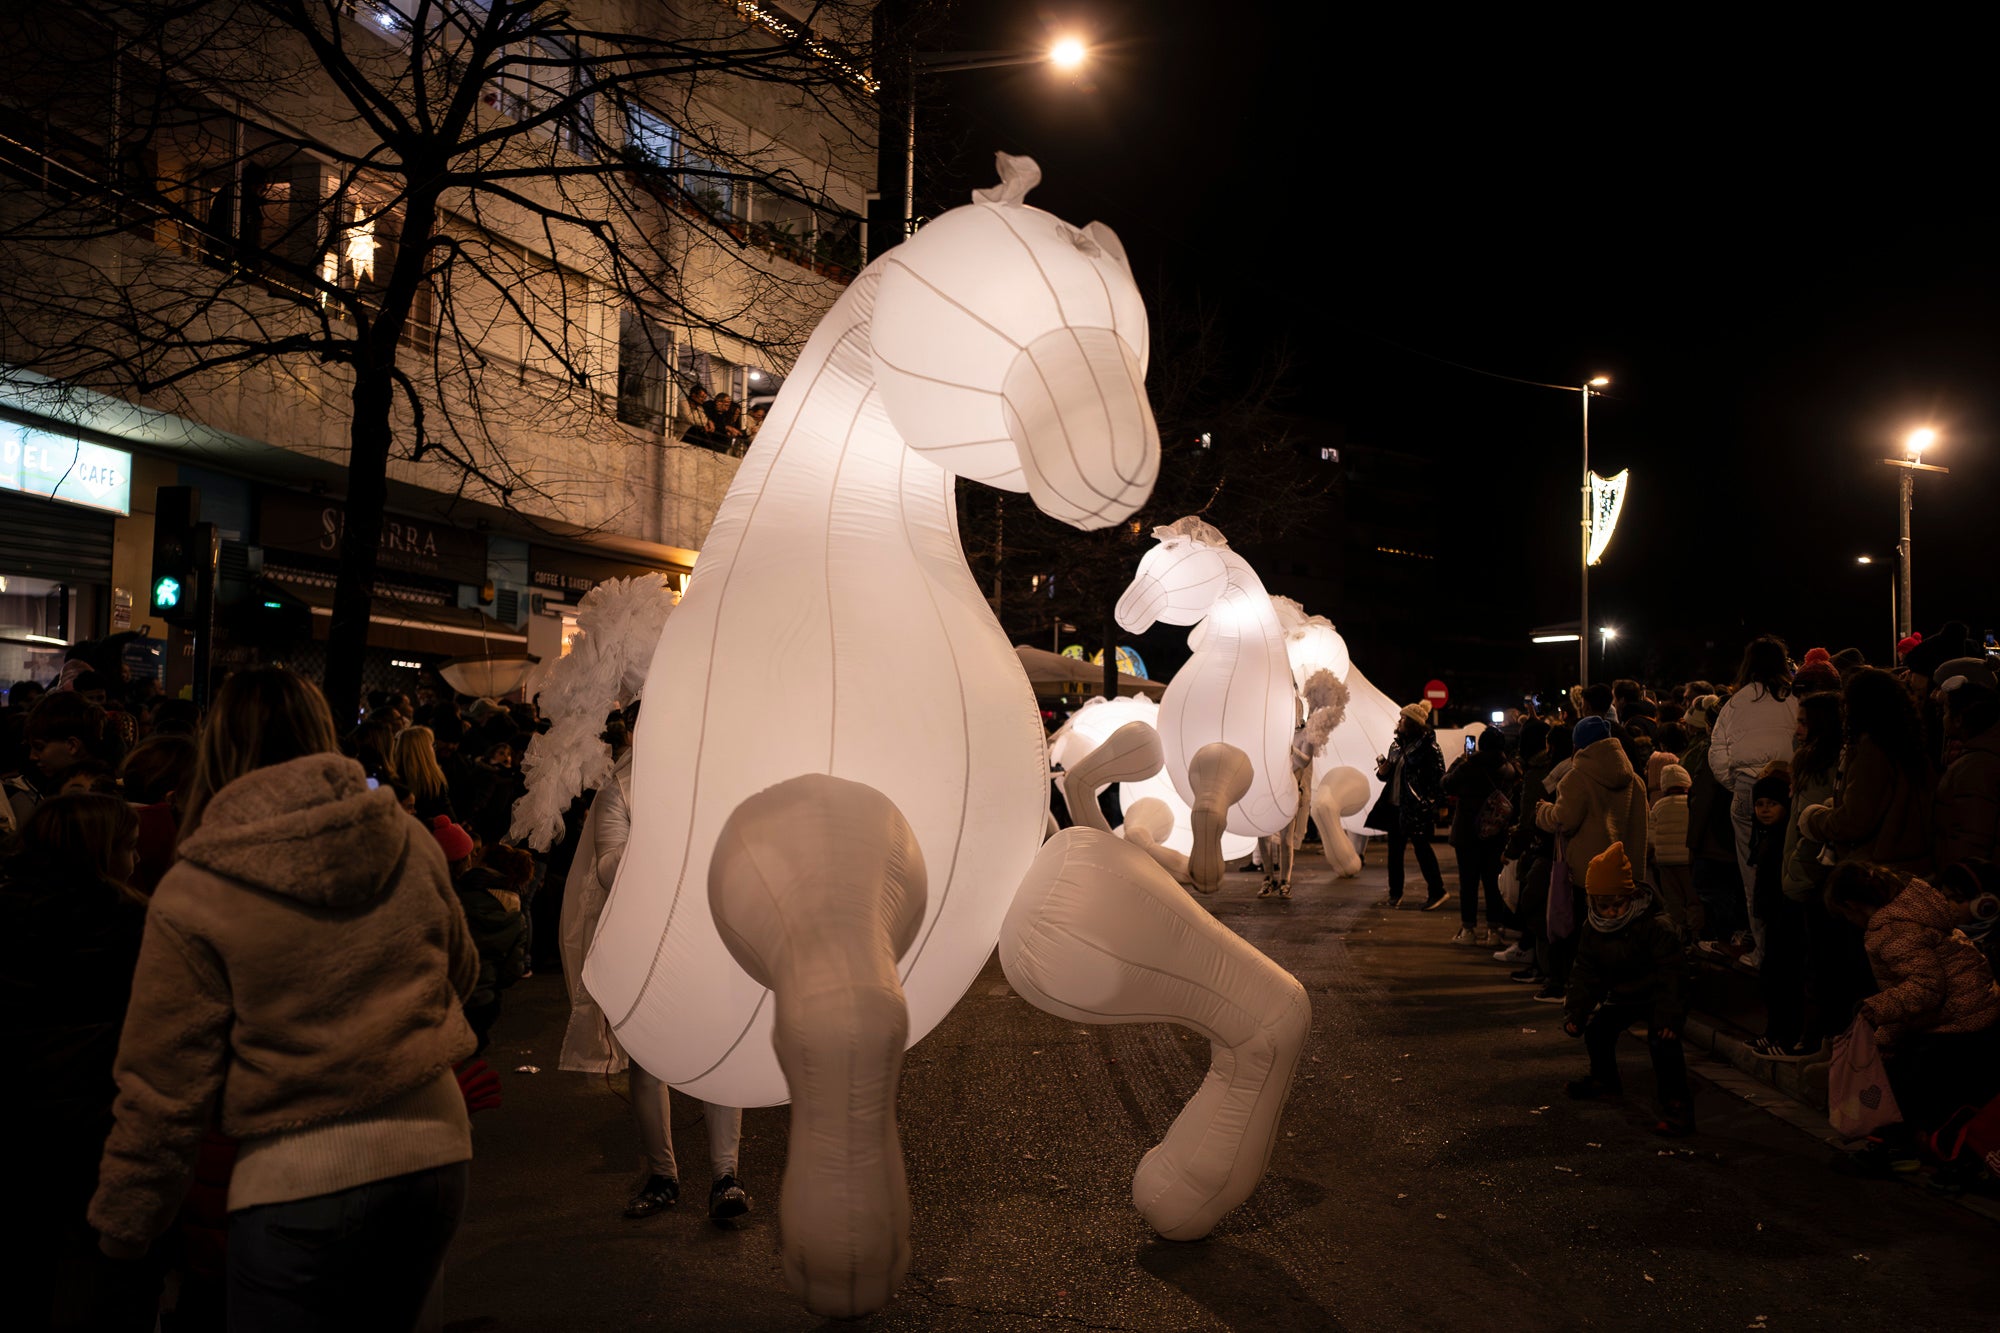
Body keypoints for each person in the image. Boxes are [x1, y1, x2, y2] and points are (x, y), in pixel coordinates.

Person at [89, 666, 481, 1331]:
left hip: (299, 1177)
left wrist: (127, 1227)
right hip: (434, 1155)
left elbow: (164, 1079)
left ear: (218, 747)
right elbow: (461, 971)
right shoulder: (408, 839)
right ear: (324, 732)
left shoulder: (199, 885)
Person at [581, 730, 752, 1224]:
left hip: (710, 932)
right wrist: (663, 833)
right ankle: (663, 1175)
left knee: (720, 1051)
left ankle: (726, 1176)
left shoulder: (715, 780)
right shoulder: (621, 788)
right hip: (648, 936)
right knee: (649, 1055)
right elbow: (608, 869)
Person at [2, 794, 150, 1330]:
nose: (137, 860)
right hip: (97, 1116)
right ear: (101, 854)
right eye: (129, 848)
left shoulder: (7, 909)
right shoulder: (131, 924)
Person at [1824, 862, 2000, 1139]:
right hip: (1973, 1005)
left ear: (1852, 905)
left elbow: (1925, 988)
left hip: (1960, 1019)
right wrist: (1885, 1039)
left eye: (1845, 913)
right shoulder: (1912, 909)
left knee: (1915, 1088)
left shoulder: (1894, 931)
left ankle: (1909, 1149)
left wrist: (1876, 1008)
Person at [1561, 841, 1694, 1136]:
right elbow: (1585, 972)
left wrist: (1670, 1016)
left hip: (1658, 994)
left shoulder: (1655, 926)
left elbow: (1673, 973)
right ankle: (1604, 1080)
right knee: (1598, 1032)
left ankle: (1677, 1109)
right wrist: (1576, 1012)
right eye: (1603, 906)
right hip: (1625, 993)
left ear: (1631, 897)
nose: (1610, 913)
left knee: (1663, 1044)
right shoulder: (1593, 928)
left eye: (1616, 905)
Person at [1709, 637, 1799, 968]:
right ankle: (1793, 952)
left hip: (1748, 788)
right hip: (1789, 789)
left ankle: (1763, 951)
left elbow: (1717, 750)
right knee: (1791, 869)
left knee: (1753, 875)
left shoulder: (1735, 703)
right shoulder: (1793, 699)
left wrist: (1740, 785)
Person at [1797, 667, 1935, 874]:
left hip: (1878, 870)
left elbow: (1854, 820)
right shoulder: (1908, 744)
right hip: (1909, 863)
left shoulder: (1872, 750)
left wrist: (1813, 819)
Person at [1370, 700, 1448, 911]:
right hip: (1395, 806)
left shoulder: (1428, 747)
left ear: (1414, 723)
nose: (1400, 721)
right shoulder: (1396, 745)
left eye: (1404, 718)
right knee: (1394, 853)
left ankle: (1437, 891)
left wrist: (1436, 804)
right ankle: (1395, 894)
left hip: (1415, 808)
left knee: (1422, 850)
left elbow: (1439, 777)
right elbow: (1391, 776)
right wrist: (1383, 771)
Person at [1445, 726, 1516, 944]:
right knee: (1493, 882)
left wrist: (1460, 761)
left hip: (1467, 833)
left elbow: (1446, 784)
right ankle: (1494, 930)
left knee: (1468, 883)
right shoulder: (1509, 770)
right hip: (1496, 834)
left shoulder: (1468, 766)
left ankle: (1468, 930)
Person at [1933, 657, 2000, 873]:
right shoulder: (1977, 754)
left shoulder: (1976, 765)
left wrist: (1957, 881)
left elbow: (1971, 835)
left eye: (1945, 712)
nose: (1942, 719)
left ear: (1959, 719)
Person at [1650, 763, 1694, 938]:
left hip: (1665, 863)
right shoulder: (1690, 804)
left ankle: (1677, 935)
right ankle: (1696, 934)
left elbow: (1651, 835)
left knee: (1673, 900)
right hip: (1688, 860)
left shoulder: (1659, 806)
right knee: (1693, 899)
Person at [395, 724, 458, 822]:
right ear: (425, 751)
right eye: (433, 745)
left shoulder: (393, 778)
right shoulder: (434, 781)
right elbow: (450, 818)